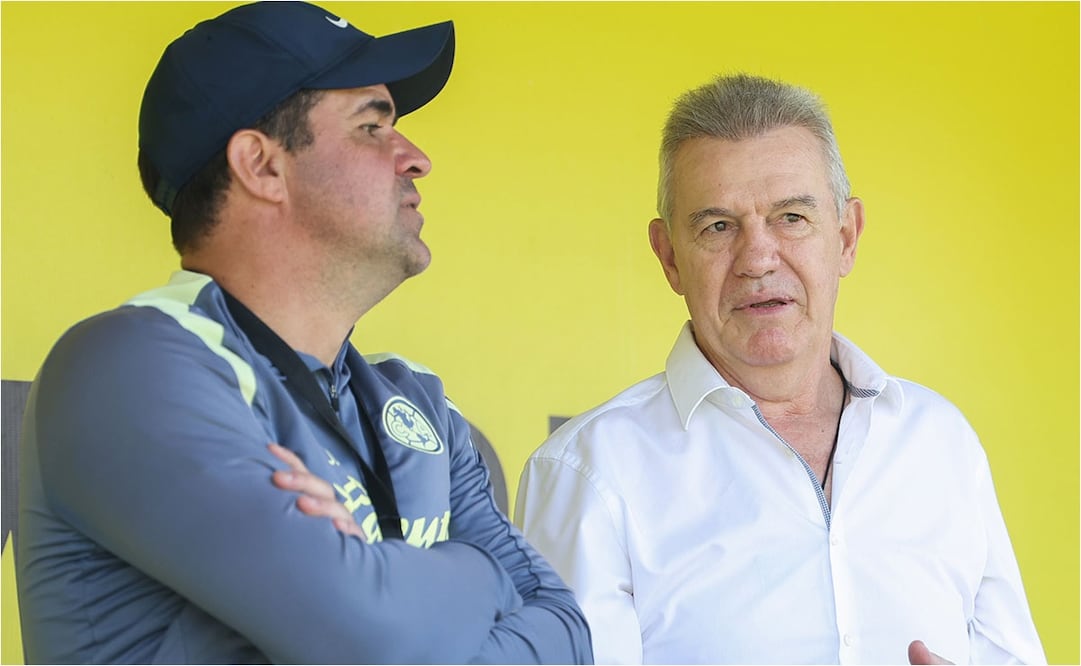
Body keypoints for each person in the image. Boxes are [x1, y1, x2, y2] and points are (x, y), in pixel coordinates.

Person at [16, 2, 592, 663]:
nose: (416, 159)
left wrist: (368, 579)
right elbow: (370, 639)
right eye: (373, 127)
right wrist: (482, 572)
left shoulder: (417, 404)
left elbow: (567, 637)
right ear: (261, 166)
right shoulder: (125, 366)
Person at [515, 74, 1044, 665]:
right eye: (717, 227)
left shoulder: (940, 440)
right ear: (669, 258)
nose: (758, 258)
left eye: (792, 217)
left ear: (846, 237)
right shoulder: (588, 473)